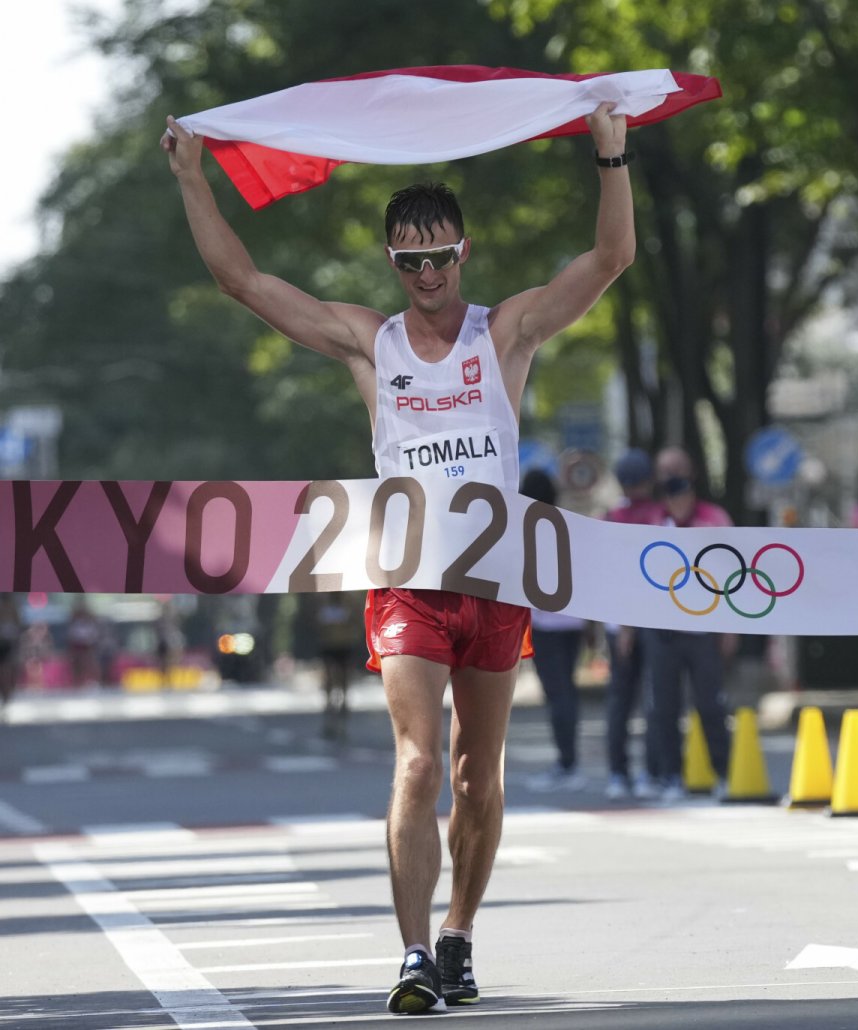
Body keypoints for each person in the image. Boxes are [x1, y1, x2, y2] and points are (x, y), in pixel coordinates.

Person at [163, 100, 634, 1014]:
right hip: (406, 583)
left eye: (440, 257)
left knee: (477, 776)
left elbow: (610, 260)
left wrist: (609, 156)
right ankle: (414, 952)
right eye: (409, 261)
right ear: (392, 262)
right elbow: (244, 282)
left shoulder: (505, 334)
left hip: (494, 583)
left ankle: (458, 930)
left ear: (464, 251)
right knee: (419, 762)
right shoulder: (367, 343)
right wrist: (192, 175)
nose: (426, 275)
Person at [639, 446, 734, 799]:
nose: (672, 479)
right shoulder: (651, 520)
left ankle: (723, 772)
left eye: (677, 470)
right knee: (663, 708)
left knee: (711, 704)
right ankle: (670, 776)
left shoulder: (714, 518)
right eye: (665, 471)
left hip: (704, 630)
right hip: (662, 632)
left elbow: (733, 576)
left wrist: (730, 628)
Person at [518, 468, 589, 790]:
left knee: (557, 693)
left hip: (545, 623)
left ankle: (567, 763)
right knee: (567, 691)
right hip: (573, 621)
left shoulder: (524, 529)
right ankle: (568, 759)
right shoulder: (568, 526)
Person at [602, 448, 663, 799]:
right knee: (651, 698)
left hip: (618, 620)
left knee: (620, 699)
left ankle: (618, 773)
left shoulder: (611, 518)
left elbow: (611, 573)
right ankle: (650, 771)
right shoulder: (658, 515)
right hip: (649, 618)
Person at [315, 591, 366, 742]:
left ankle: (342, 720)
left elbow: (358, 620)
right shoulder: (322, 601)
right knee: (329, 680)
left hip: (345, 645)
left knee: (344, 682)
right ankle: (329, 717)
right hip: (328, 646)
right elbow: (316, 622)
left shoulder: (350, 601)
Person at [0, 595, 20, 720]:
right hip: (6, 642)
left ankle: (6, 700)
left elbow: (17, 624)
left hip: (7, 644)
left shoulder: (12, 607)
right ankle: (6, 699)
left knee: (6, 672)